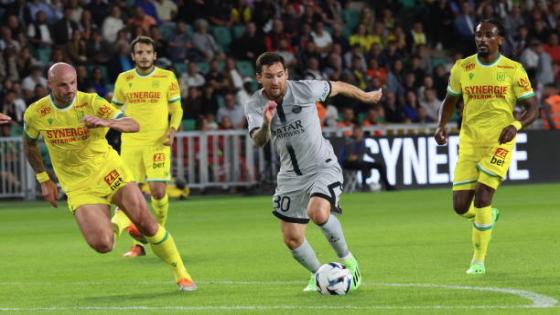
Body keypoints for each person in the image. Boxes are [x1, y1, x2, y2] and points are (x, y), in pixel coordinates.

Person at [22, 62, 196, 291]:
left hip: (109, 171)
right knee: (103, 244)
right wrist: (44, 179)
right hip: (78, 185)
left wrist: (106, 122)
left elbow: (133, 124)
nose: (70, 89)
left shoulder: (91, 102)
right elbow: (29, 145)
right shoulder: (36, 113)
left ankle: (181, 274)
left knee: (147, 223)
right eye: (63, 85)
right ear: (50, 85)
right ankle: (119, 222)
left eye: (73, 83)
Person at [244, 52, 382, 292]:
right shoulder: (254, 104)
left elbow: (337, 86)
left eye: (279, 75)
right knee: (292, 238)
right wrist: (267, 123)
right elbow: (258, 141)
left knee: (318, 212)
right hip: (289, 176)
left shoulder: (306, 89)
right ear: (259, 78)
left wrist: (365, 96)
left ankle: (349, 261)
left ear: (286, 74)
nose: (275, 81)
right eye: (269, 77)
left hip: (322, 166)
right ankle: (319, 275)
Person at [434, 19, 537, 275]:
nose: (482, 39)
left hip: (499, 141)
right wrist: (441, 126)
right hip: (469, 140)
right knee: (460, 206)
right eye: (479, 35)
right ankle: (489, 216)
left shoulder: (513, 70)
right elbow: (450, 100)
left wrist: (516, 124)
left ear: (500, 39)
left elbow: (533, 108)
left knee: (482, 198)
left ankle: (478, 260)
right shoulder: (462, 67)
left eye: (488, 35)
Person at [110, 36, 183, 257]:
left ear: (154, 55)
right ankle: (137, 245)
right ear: (133, 56)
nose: (144, 56)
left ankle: (156, 234)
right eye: (139, 52)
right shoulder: (124, 79)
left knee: (158, 191)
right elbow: (113, 108)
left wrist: (172, 130)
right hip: (131, 143)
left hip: (157, 143)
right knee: (129, 194)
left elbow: (177, 109)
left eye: (148, 52)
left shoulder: (166, 77)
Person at [339, 126, 396, 191]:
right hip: (346, 163)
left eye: (359, 132)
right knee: (364, 165)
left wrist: (356, 157)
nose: (358, 133)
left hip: (358, 162)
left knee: (380, 165)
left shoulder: (362, 141)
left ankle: (388, 186)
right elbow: (349, 157)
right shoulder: (349, 141)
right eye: (356, 132)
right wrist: (354, 157)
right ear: (353, 132)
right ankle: (364, 186)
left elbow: (359, 155)